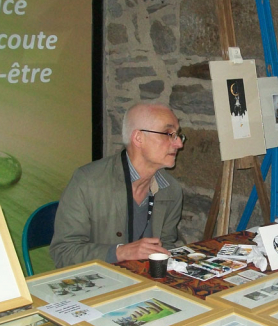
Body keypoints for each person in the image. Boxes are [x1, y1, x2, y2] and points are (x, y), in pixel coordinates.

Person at [50, 103, 184, 268]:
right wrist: (120, 252)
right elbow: (63, 252)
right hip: (97, 284)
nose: (179, 143)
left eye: (177, 135)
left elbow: (167, 243)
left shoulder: (171, 189)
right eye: (168, 134)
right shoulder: (87, 181)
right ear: (138, 138)